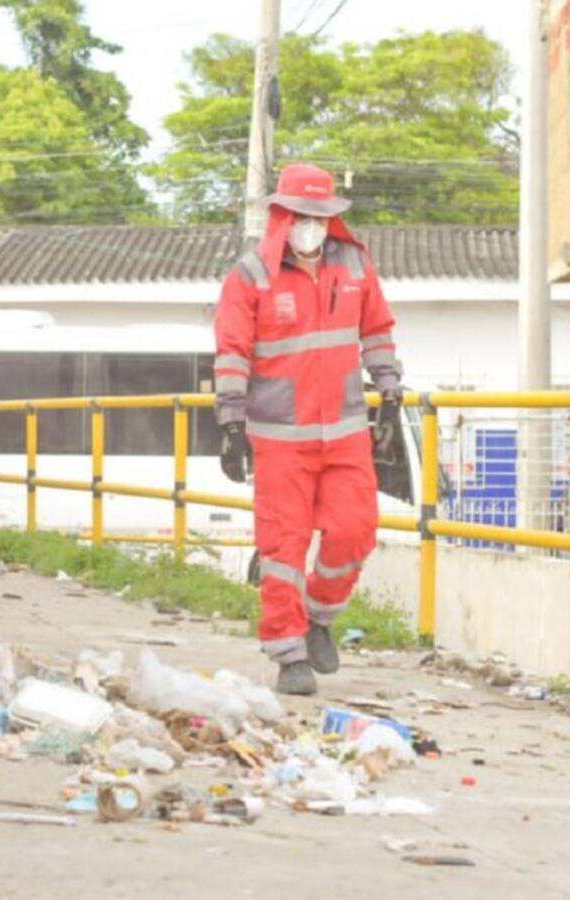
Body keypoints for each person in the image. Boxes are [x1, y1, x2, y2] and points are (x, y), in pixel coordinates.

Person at [213, 163, 403, 695]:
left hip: (344, 432)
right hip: (279, 439)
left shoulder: (356, 265)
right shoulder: (251, 276)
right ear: (282, 215)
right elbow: (232, 353)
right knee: (282, 550)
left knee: (354, 530)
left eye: (321, 216)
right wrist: (230, 423)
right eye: (302, 216)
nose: (311, 226)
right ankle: (289, 653)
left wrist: (388, 391)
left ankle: (319, 618)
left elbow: (378, 332)